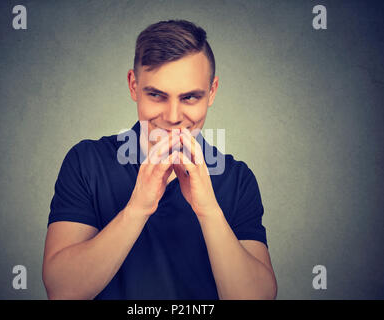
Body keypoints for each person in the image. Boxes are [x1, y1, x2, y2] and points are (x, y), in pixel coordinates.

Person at [42, 20, 277, 300]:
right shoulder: (86, 162)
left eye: (190, 97)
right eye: (156, 95)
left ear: (212, 92)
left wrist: (209, 212)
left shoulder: (237, 179)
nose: (173, 116)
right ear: (133, 85)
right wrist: (138, 208)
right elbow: (62, 291)